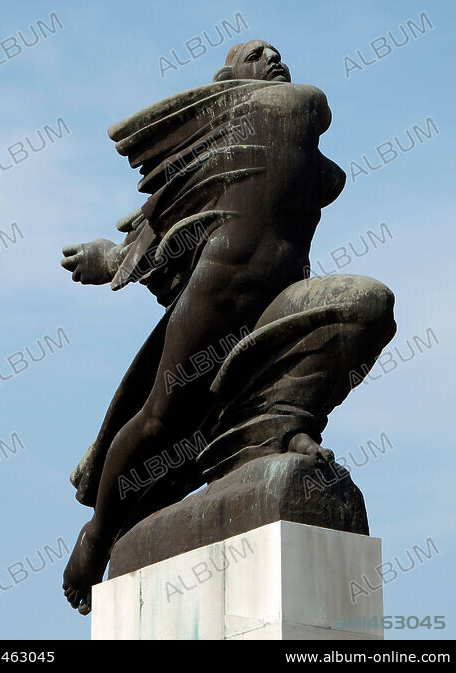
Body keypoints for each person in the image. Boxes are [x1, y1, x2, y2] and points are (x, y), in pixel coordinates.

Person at [61, 40, 394, 614]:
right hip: (216, 295)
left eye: (278, 51)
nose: (272, 57)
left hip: (278, 298)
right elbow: (169, 214)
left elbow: (323, 151)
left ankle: (275, 427)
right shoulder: (249, 118)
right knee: (159, 419)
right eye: (255, 54)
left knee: (367, 306)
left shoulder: (304, 143)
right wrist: (114, 259)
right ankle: (99, 533)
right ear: (228, 80)